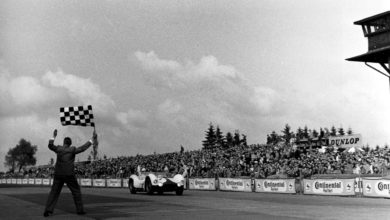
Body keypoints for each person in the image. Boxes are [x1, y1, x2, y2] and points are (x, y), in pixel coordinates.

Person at [43, 129, 97, 217]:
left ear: (64, 142)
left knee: (54, 192)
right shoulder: (72, 149)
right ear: (70, 144)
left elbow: (50, 145)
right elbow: (83, 148)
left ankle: (48, 210)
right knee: (76, 191)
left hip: (58, 174)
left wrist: (54, 136)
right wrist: (92, 140)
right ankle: (80, 210)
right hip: (69, 174)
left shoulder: (59, 149)